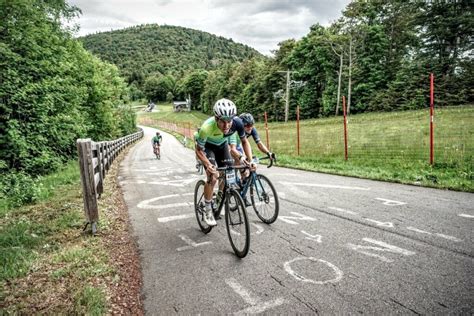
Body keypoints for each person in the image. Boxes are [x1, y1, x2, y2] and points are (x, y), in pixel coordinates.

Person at [195, 98, 255, 226]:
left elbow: (244, 142)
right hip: (208, 147)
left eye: (230, 121)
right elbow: (199, 150)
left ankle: (219, 198)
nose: (227, 126)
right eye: (223, 122)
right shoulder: (206, 128)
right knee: (213, 176)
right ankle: (208, 210)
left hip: (222, 146)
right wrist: (208, 165)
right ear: (216, 118)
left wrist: (249, 160)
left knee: (228, 174)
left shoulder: (237, 123)